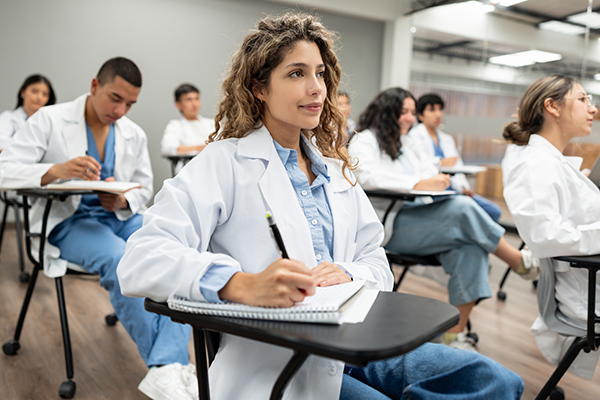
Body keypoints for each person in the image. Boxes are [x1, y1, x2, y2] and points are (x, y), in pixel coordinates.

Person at [118, 12, 524, 400]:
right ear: (259, 88)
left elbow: (376, 262)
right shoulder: (224, 162)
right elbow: (140, 258)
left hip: (356, 339)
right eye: (297, 73)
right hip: (283, 359)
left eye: (320, 73)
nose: (317, 88)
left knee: (494, 381)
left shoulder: (334, 169)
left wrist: (346, 272)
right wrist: (239, 284)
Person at [0, 58, 195, 400]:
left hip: (117, 217)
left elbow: (143, 186)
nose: (121, 110)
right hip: (67, 222)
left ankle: (171, 366)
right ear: (94, 86)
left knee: (172, 253)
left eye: (130, 103)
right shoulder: (49, 119)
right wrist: (54, 170)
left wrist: (122, 202)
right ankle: (168, 368)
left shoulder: (133, 133)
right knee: (120, 258)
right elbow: (4, 170)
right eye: (115, 98)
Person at [348, 87, 539, 351]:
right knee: (462, 207)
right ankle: (516, 260)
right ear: (384, 111)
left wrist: (435, 178)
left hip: (420, 219)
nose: (408, 118)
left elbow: (428, 166)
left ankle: (453, 336)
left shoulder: (404, 141)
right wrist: (419, 181)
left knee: (470, 248)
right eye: (402, 111)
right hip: (391, 226)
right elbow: (366, 176)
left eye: (412, 113)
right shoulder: (365, 140)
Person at [503, 75, 600, 379]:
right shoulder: (534, 165)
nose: (593, 109)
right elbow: (545, 236)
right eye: (583, 99)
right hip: (584, 294)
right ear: (552, 106)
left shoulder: (550, 162)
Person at [409, 93, 502, 222]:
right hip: (435, 191)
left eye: (440, 109)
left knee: (493, 211)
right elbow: (419, 164)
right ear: (420, 115)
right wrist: (440, 163)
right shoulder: (413, 137)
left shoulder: (447, 139)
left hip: (454, 189)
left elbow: (458, 167)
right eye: (432, 110)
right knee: (467, 212)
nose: (438, 114)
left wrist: (465, 188)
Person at [0, 74, 56, 149]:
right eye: (34, 91)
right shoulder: (8, 118)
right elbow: (2, 144)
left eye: (45, 94)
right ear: (23, 92)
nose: (39, 97)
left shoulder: (51, 123)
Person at [160, 83, 215, 155]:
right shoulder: (175, 126)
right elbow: (167, 148)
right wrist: (200, 148)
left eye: (197, 98)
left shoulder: (212, 123)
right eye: (189, 100)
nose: (194, 103)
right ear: (178, 104)